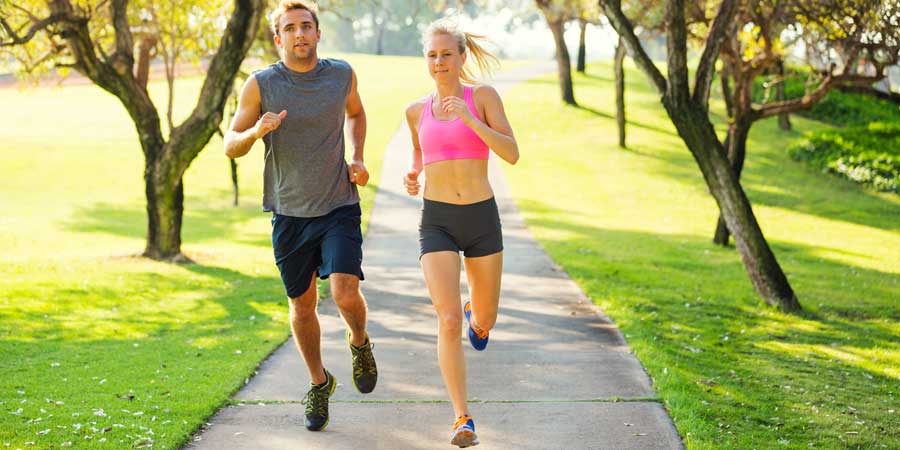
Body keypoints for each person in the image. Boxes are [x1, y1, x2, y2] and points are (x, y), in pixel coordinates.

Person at [223, 0, 377, 432]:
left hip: (338, 204)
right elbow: (230, 143)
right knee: (302, 306)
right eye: (289, 28)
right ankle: (318, 382)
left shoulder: (341, 74)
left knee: (346, 293)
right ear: (278, 39)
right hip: (289, 212)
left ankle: (359, 343)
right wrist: (257, 131)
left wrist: (359, 157)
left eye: (306, 26)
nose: (299, 34)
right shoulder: (260, 85)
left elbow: (357, 112)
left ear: (318, 32)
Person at [402, 20, 519, 448]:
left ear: (462, 56)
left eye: (446, 54)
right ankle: (461, 418)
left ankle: (479, 318)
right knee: (446, 319)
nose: (438, 62)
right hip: (437, 221)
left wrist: (470, 119)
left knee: (481, 319)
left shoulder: (482, 97)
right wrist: (414, 174)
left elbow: (511, 152)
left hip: (481, 219)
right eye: (431, 55)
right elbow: (420, 151)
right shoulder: (416, 110)